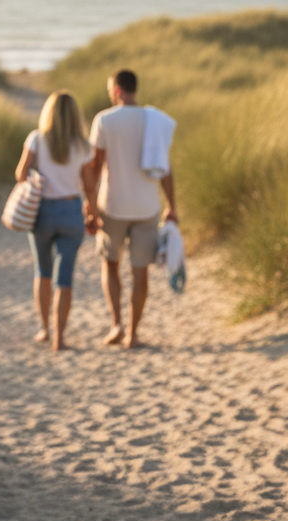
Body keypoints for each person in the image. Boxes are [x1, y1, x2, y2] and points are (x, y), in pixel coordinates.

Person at [82, 69, 177, 348]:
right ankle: (133, 334)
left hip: (112, 205)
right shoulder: (155, 120)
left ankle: (116, 325)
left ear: (118, 90)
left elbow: (95, 168)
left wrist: (90, 206)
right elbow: (166, 169)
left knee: (110, 265)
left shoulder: (104, 120)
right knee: (140, 272)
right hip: (147, 207)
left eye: (111, 89)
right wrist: (172, 206)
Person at [15, 91, 90, 351]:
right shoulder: (82, 145)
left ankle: (44, 329)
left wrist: (38, 174)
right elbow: (89, 185)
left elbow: (20, 174)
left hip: (42, 211)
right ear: (74, 115)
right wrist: (93, 211)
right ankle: (60, 338)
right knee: (65, 277)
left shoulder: (36, 139)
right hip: (71, 209)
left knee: (43, 272)